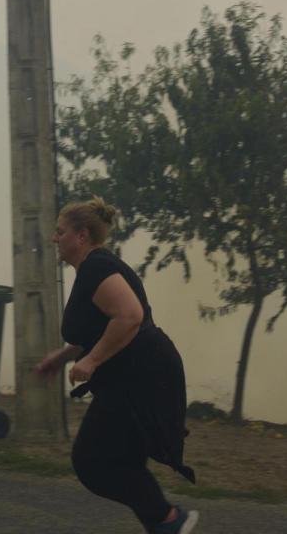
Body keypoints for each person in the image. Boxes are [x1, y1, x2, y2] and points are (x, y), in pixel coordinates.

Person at [36, 197, 199, 534]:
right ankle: (165, 522)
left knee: (91, 461)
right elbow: (98, 327)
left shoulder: (96, 267)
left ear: (81, 236)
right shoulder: (91, 269)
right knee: (120, 459)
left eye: (60, 232)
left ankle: (168, 520)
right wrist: (64, 356)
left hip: (141, 376)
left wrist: (92, 361)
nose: (55, 238)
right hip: (138, 375)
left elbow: (130, 316)